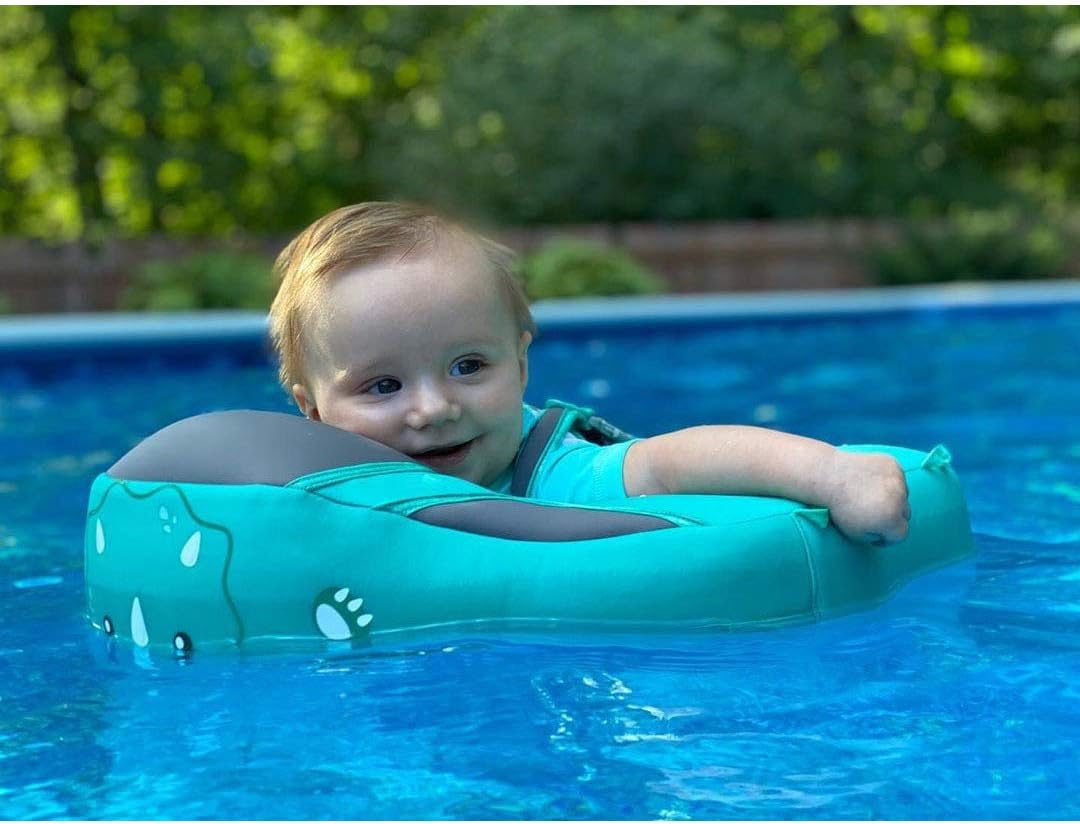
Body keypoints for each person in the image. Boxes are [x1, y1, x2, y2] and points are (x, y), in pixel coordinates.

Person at [269, 202, 910, 546]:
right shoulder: (309, 490)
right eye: (384, 386)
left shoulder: (558, 475)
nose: (434, 407)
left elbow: (670, 462)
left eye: (468, 366)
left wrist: (834, 475)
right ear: (313, 410)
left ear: (520, 366)